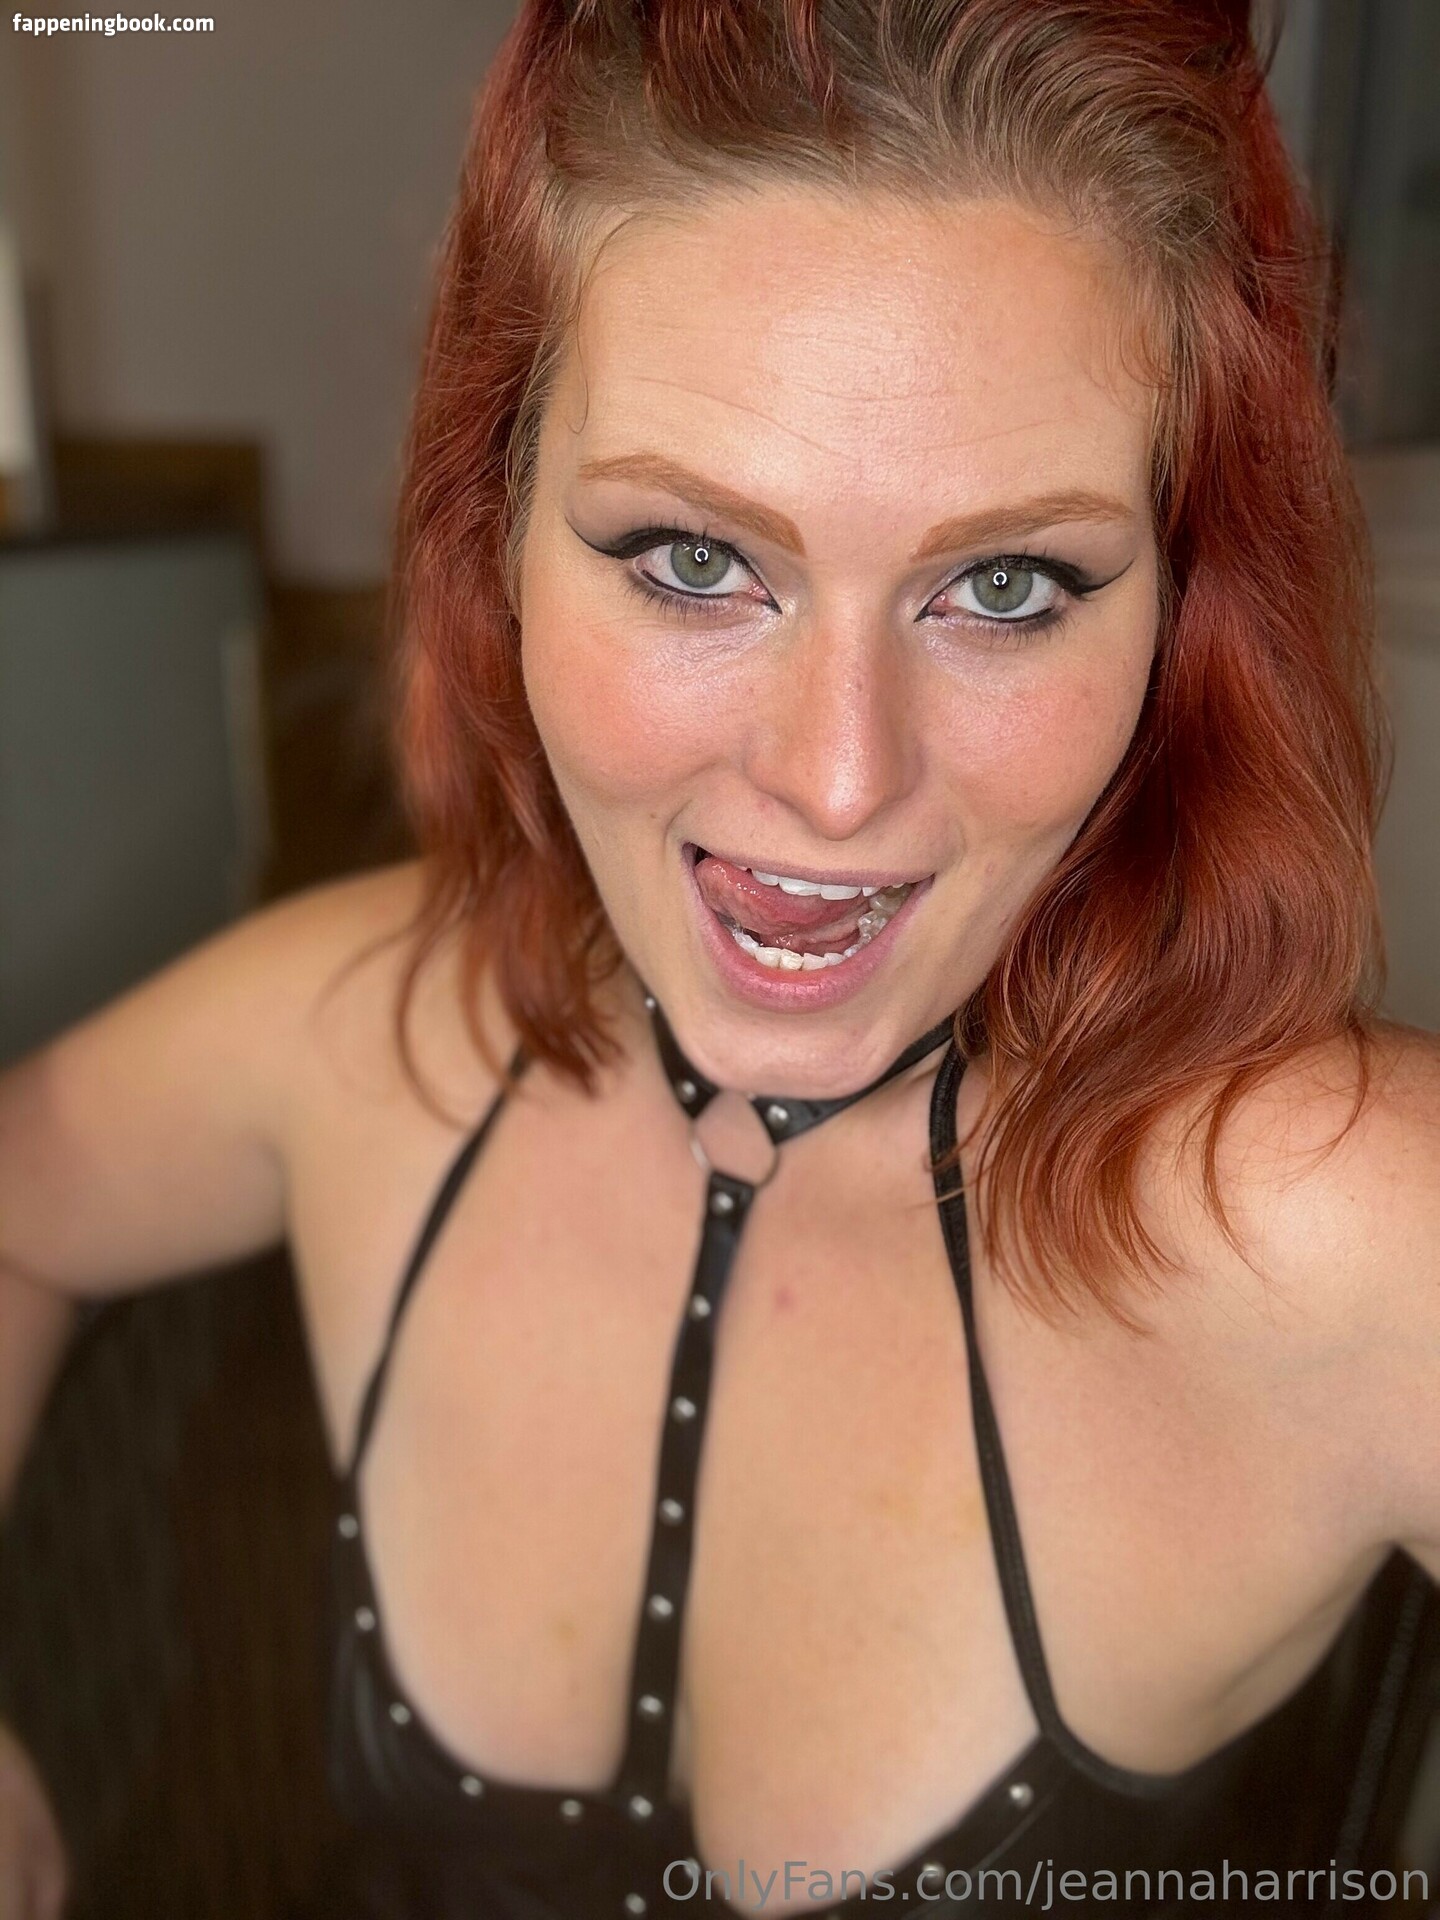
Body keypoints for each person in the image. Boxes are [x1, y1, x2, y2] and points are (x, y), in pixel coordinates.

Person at [2, 0, 1438, 1915]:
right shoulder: (368, 1029)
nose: (838, 779)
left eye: (1005, 585)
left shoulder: (1333, 1224)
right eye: (694, 560)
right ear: (493, 529)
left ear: (1180, 618)